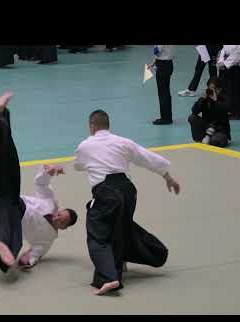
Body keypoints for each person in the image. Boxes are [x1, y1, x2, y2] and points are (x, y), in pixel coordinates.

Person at [74, 110, 180, 295]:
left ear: (92, 126)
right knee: (120, 227)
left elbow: (79, 165)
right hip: (128, 191)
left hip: (107, 193)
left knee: (98, 235)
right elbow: (147, 158)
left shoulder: (85, 146)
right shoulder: (123, 142)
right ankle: (155, 254)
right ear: (108, 125)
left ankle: (109, 278)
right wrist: (167, 177)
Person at [0, 92, 78, 273]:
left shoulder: (47, 239)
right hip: (15, 198)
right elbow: (40, 184)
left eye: (62, 220)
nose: (58, 217)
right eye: (61, 213)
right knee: (8, 157)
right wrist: (47, 172)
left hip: (12, 217)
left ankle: (0, 247)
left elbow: (36, 253)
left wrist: (29, 260)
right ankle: (0, 114)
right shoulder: (51, 202)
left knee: (13, 241)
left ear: (63, 228)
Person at [188, 76, 231, 147]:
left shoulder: (224, 99)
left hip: (220, 129)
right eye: (209, 88)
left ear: (219, 89)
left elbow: (224, 111)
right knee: (192, 117)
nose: (211, 90)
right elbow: (194, 111)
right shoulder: (206, 98)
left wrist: (215, 100)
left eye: (214, 88)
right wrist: (201, 99)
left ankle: (216, 138)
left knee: (215, 141)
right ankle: (200, 138)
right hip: (207, 126)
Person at [217, 45, 240, 120]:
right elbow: (223, 49)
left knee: (237, 90)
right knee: (227, 89)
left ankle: (236, 112)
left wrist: (225, 64)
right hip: (227, 66)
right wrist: (221, 61)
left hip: (238, 68)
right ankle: (228, 109)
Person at [148, 45, 176, 125]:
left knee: (163, 93)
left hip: (163, 65)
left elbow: (156, 51)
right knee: (166, 92)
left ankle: (165, 118)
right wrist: (154, 62)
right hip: (168, 63)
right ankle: (167, 117)